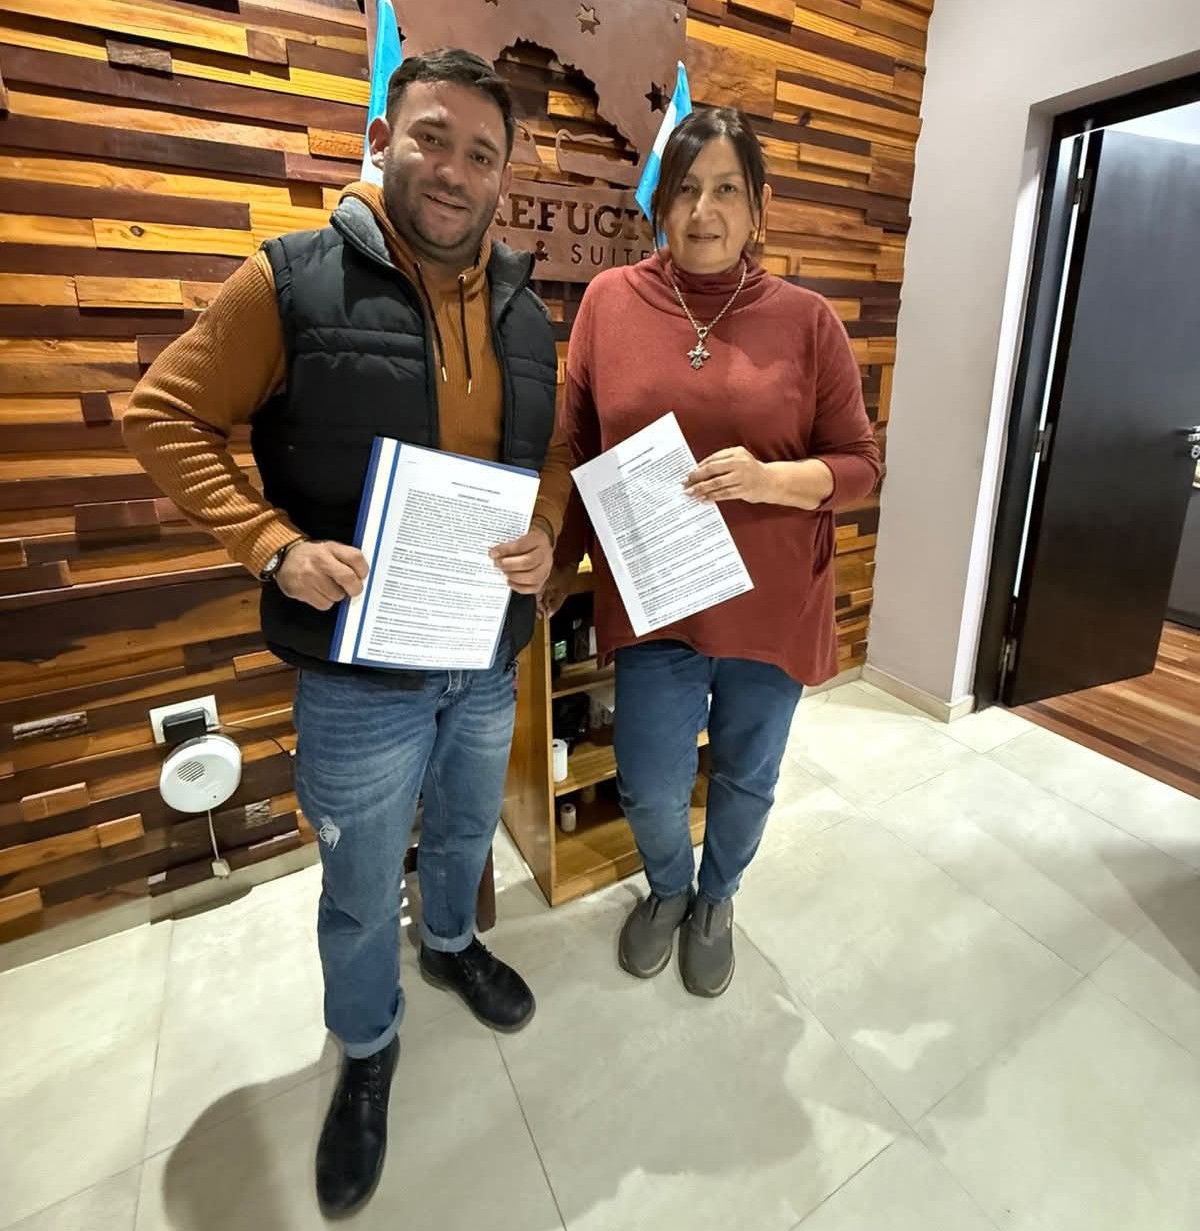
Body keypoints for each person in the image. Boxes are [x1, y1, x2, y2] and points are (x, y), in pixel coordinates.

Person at [124, 49, 571, 1218]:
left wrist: (545, 533)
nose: (454, 170)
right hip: (359, 676)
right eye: (432, 137)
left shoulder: (527, 311)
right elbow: (162, 413)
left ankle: (453, 945)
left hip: (483, 656)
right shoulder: (291, 281)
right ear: (382, 139)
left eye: (481, 153)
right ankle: (367, 1044)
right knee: (364, 885)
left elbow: (553, 455)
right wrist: (272, 544)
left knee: (465, 833)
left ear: (504, 176)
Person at [541, 107, 882, 999]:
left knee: (746, 775)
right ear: (661, 203)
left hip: (770, 601)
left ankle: (717, 898)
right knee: (650, 782)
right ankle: (667, 887)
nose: (704, 210)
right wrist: (557, 557)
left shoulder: (807, 321)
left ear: (758, 207)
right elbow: (578, 447)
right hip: (657, 596)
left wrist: (772, 479)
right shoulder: (611, 302)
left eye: (727, 189)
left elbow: (861, 464)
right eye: (687, 188)